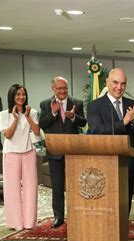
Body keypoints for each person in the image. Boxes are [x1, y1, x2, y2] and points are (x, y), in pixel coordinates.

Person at [88, 68, 134, 241]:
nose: (119, 87)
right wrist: (125, 121)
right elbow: (98, 132)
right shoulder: (95, 106)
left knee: (124, 209)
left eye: (122, 84)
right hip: (104, 167)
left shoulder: (132, 104)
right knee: (106, 210)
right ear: (107, 82)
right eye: (115, 83)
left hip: (126, 165)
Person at [39, 76, 87, 229]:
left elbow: (83, 122)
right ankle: (58, 217)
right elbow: (43, 125)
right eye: (59, 88)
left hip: (73, 151)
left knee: (75, 185)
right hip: (55, 151)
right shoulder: (46, 104)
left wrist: (73, 117)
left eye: (65, 88)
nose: (63, 91)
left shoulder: (77, 103)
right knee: (57, 186)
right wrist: (53, 113)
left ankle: (76, 214)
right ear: (53, 89)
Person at [0, 84, 39, 230]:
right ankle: (15, 223)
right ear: (12, 96)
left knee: (30, 188)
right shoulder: (4, 114)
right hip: (11, 154)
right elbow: (8, 135)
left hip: (29, 152)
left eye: (23, 94)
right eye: (18, 94)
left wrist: (27, 117)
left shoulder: (32, 112)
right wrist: (15, 119)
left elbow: (37, 132)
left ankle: (29, 223)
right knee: (12, 189)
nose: (21, 97)